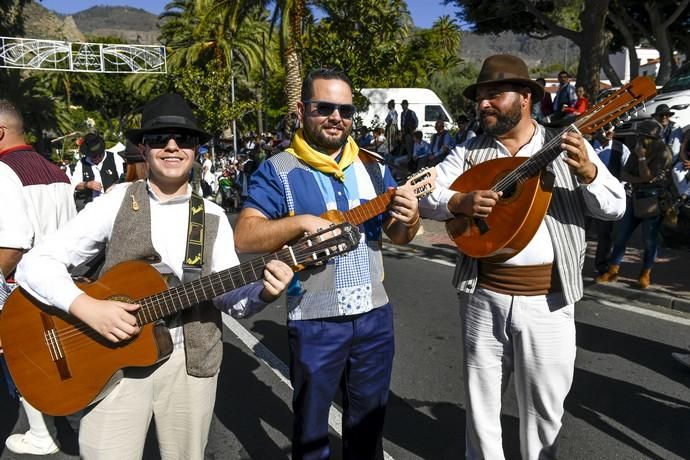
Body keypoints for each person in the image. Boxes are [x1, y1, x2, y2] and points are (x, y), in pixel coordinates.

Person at [14, 93, 294, 460]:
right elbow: (34, 264)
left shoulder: (210, 216)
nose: (172, 146)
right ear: (143, 149)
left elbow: (232, 299)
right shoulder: (116, 202)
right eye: (160, 138)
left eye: (184, 139)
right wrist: (86, 308)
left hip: (190, 363)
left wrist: (264, 293)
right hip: (113, 357)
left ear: (196, 150)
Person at [418, 54, 626, 459]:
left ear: (526, 98)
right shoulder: (467, 153)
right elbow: (425, 193)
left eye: (495, 94)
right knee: (481, 409)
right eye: (481, 97)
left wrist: (588, 172)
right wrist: (459, 200)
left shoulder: (567, 144)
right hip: (483, 296)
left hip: (548, 301)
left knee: (544, 413)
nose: (484, 104)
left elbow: (615, 206)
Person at [233, 68, 421, 460]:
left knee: (368, 430)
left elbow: (399, 235)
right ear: (302, 110)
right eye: (325, 107)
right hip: (314, 320)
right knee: (313, 433)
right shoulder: (278, 169)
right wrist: (300, 222)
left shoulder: (373, 166)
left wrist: (411, 218)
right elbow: (246, 236)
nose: (337, 117)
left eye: (346, 110)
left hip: (374, 318)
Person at [0, 99, 77, 455]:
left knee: (21, 357)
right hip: (62, 280)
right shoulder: (57, 171)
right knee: (56, 356)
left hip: (22, 283)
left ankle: (41, 432)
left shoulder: (3, 172)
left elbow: (12, 245)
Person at [596, 119, 673, 289]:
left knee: (649, 240)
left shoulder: (663, 153)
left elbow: (648, 176)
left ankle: (645, 274)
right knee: (621, 236)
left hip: (653, 200)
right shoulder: (636, 150)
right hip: (635, 196)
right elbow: (624, 174)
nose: (638, 139)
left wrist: (642, 158)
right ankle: (613, 271)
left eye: (641, 136)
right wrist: (641, 178)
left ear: (650, 138)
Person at [591, 128, 631, 275]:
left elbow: (626, 173)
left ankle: (601, 266)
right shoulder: (587, 145)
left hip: (606, 198)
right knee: (579, 230)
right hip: (582, 194)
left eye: (611, 131)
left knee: (604, 234)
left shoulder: (621, 149)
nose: (608, 133)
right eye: (605, 130)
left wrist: (616, 190)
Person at [71, 133, 125, 210]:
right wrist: (87, 184)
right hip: (91, 207)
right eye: (93, 156)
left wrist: (114, 187)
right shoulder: (81, 163)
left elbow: (124, 178)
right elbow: (75, 185)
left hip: (114, 205)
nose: (97, 157)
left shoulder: (115, 158)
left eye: (100, 154)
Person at [400, 99, 418, 164]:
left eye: (404, 105)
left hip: (410, 132)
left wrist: (413, 130)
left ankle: (411, 159)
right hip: (404, 132)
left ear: (407, 105)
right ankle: (407, 158)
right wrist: (402, 130)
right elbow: (402, 122)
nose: (403, 106)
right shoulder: (402, 113)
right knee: (405, 145)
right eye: (402, 105)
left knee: (410, 145)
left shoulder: (411, 112)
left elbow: (416, 122)